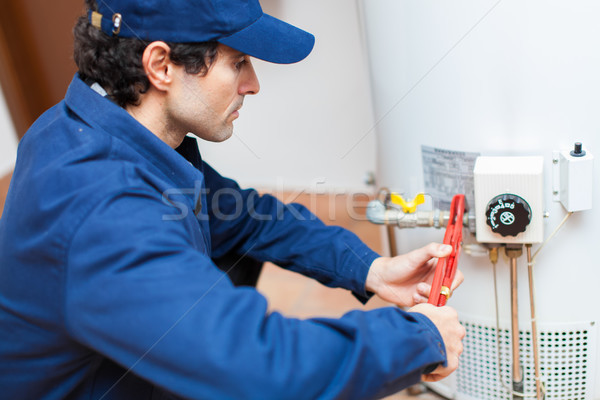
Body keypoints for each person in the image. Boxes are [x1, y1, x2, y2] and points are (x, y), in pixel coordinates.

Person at [0, 0, 466, 399]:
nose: (253, 83)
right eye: (238, 61)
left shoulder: (91, 125)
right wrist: (418, 340)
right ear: (161, 66)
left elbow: (248, 218)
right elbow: (262, 369)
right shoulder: (103, 214)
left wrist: (368, 268)